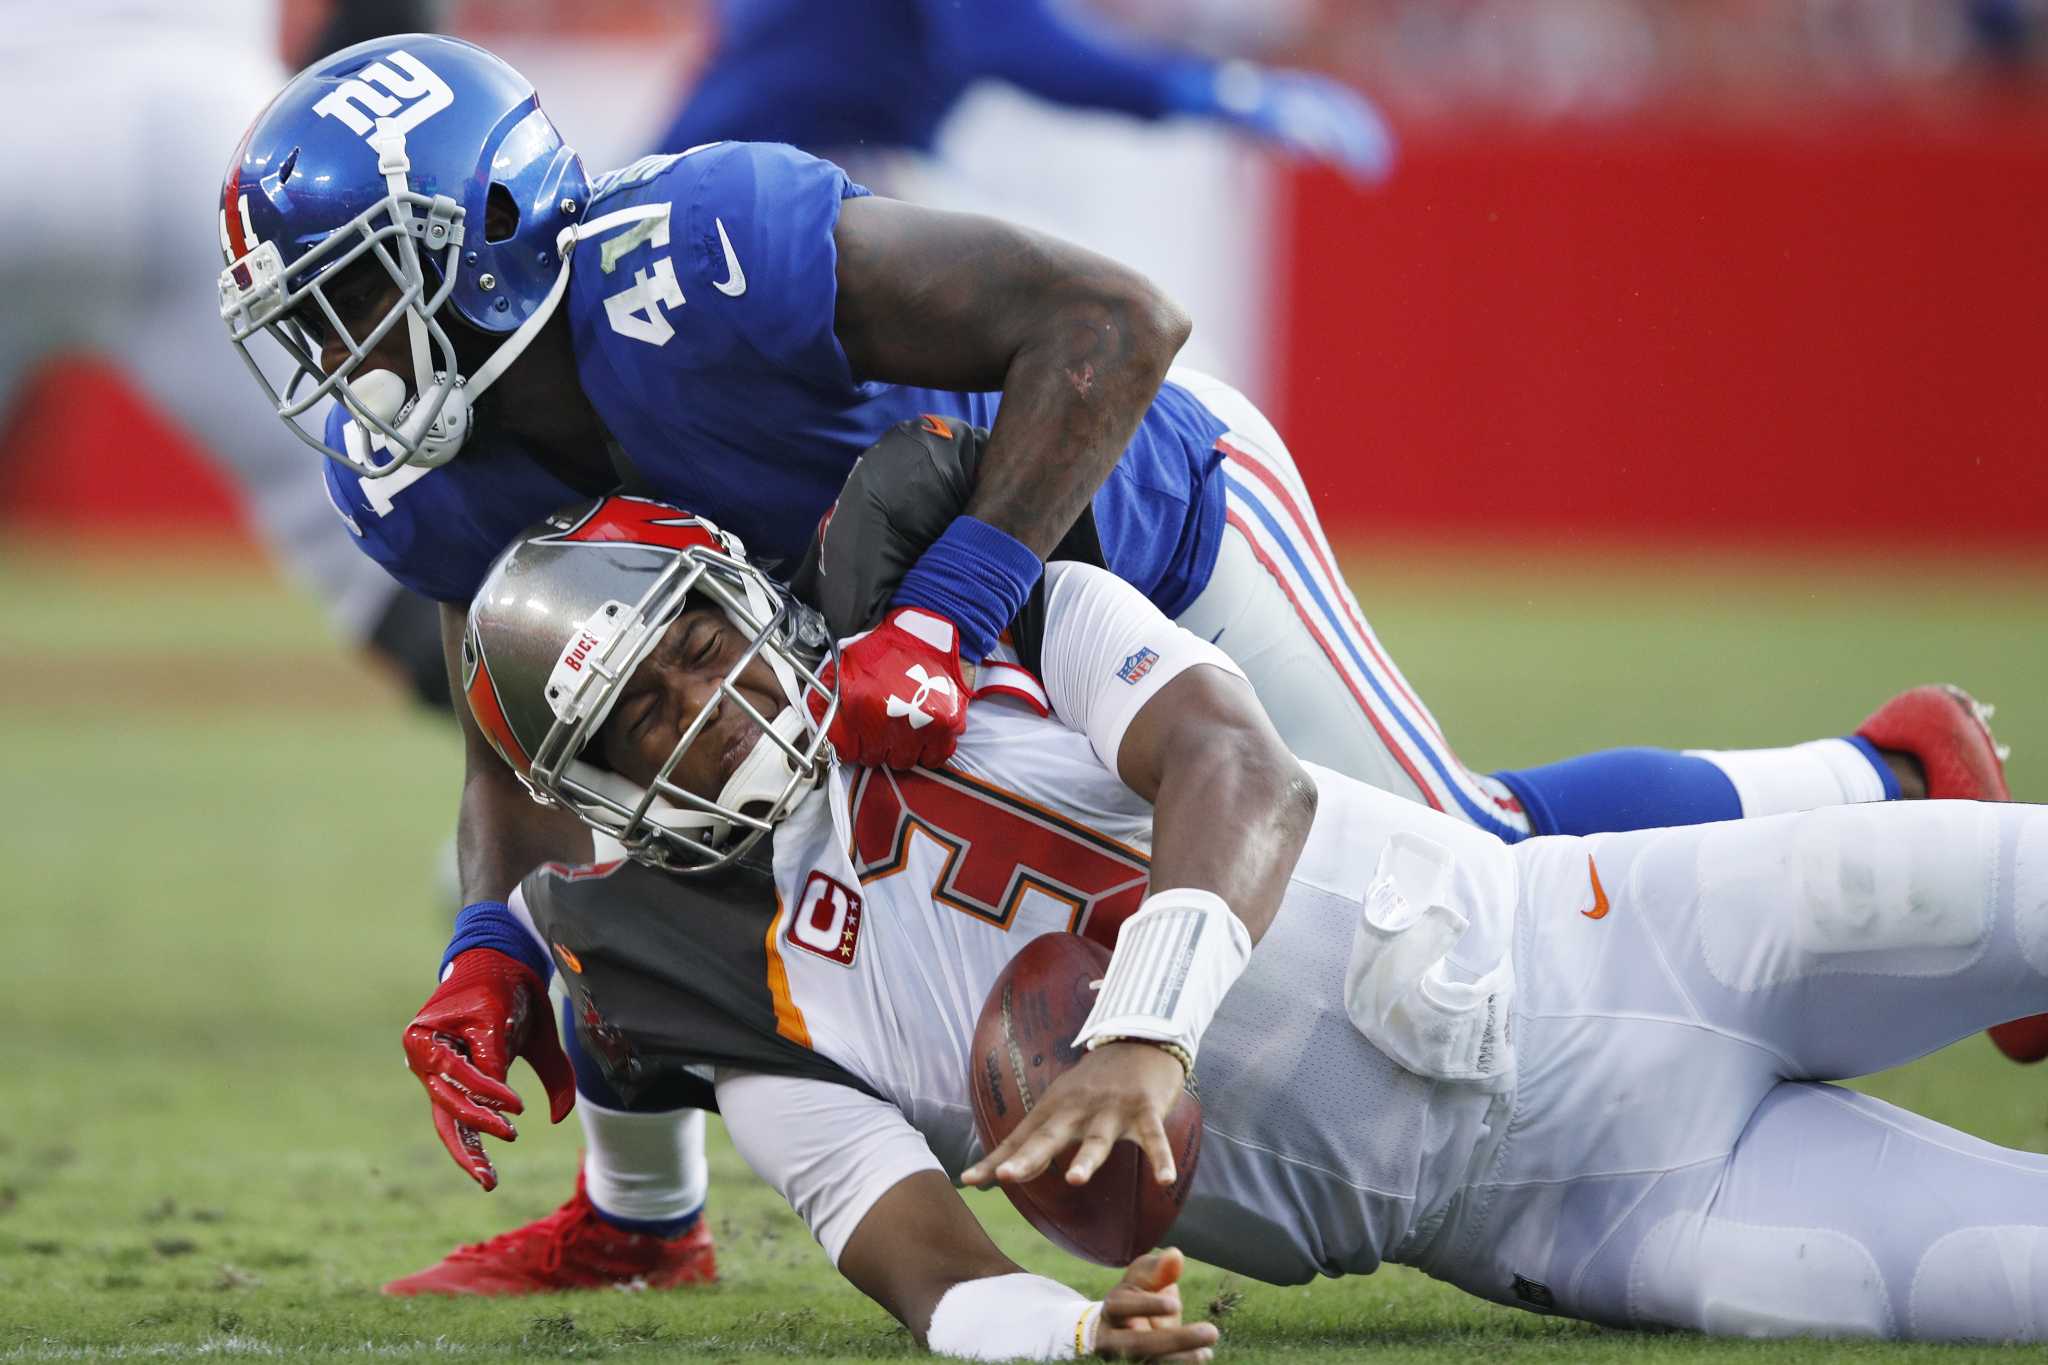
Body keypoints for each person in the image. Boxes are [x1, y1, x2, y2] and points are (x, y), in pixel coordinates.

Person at [217, 37, 2013, 1293]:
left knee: (1464, 863)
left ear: (501, 235)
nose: (338, 354)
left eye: (360, 291)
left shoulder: (699, 257)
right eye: (313, 317)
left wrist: (952, 606)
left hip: (1124, 525)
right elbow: (523, 725)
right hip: (865, 640)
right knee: (659, 850)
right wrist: (480, 947)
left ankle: (1886, 782)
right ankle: (638, 1214)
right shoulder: (420, 468)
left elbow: (1115, 322)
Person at [445, 489, 2048, 1354]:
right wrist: (1073, 1331)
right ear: (605, 787)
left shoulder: (981, 612)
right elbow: (925, 1275)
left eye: (694, 646)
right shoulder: (739, 989)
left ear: (743, 592)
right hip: (1572, 1215)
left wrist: (1146, 1025)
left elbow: (1238, 769)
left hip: (1615, 935)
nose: (705, 706)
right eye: (644, 718)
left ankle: (1891, 779)